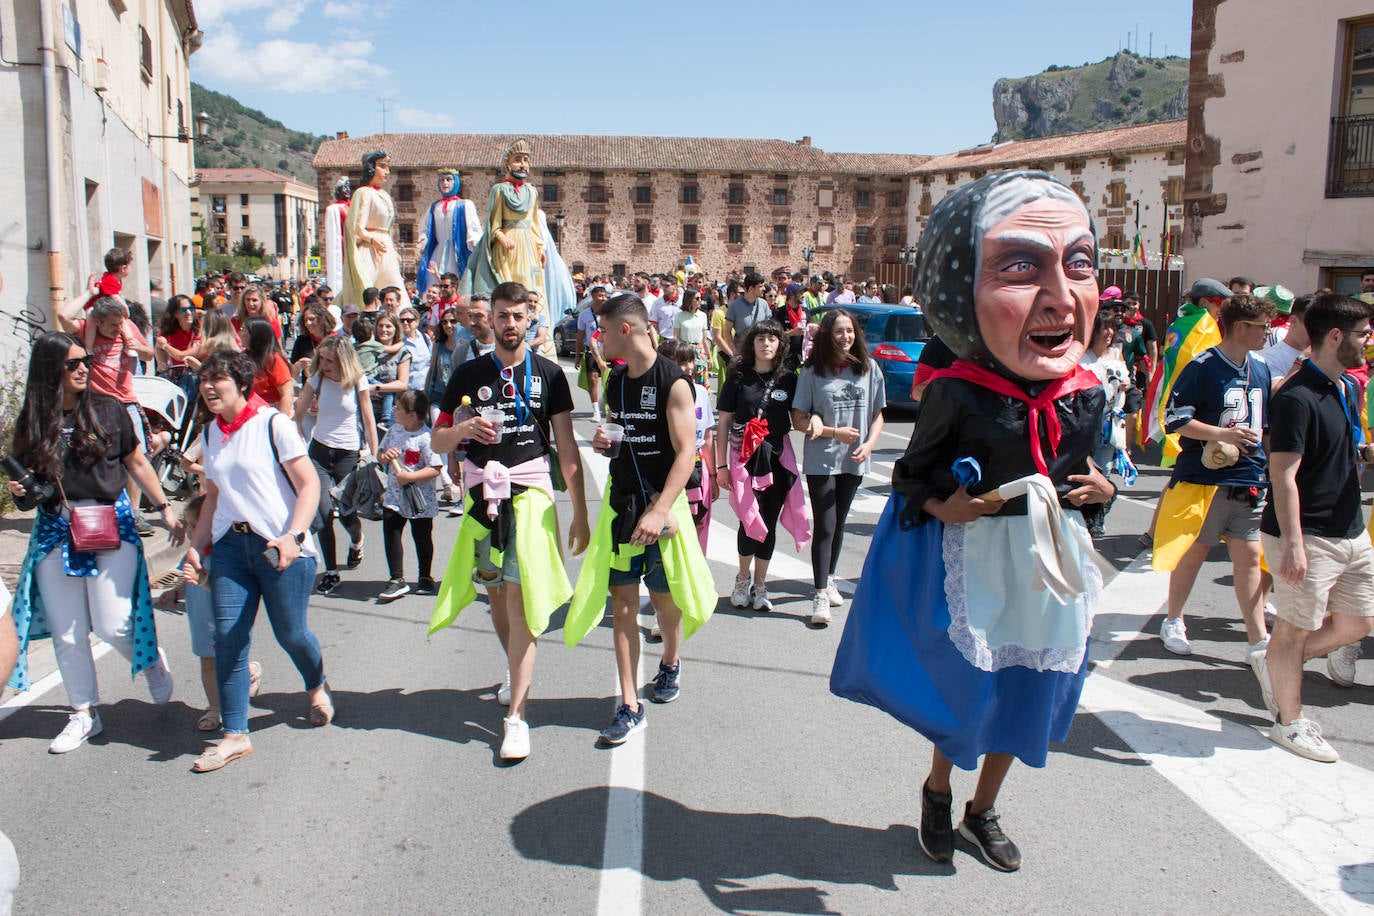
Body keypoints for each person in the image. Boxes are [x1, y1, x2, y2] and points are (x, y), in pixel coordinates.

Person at [831, 171, 1113, 873]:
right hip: (980, 555)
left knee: (1028, 690)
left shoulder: (1087, 393)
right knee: (972, 687)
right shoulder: (958, 392)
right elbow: (909, 474)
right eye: (1022, 267)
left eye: (1077, 265)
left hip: (1050, 560)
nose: (1058, 296)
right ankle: (937, 789)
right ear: (959, 295)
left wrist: (1100, 490)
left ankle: (982, 810)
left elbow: (1090, 478)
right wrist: (942, 505)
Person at [429, 281, 589, 761]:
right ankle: (512, 666)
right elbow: (437, 442)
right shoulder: (469, 372)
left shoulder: (548, 375)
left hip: (532, 495)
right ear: (491, 319)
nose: (510, 324)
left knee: (520, 602)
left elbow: (566, 446)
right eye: (502, 315)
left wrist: (579, 510)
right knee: (496, 595)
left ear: (529, 318)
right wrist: (460, 430)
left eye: (518, 316)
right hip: (483, 499)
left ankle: (516, 717)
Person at [6, 332, 181, 754]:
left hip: (107, 522)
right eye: (73, 363)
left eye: (85, 360)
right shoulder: (34, 419)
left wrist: (164, 506)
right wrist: (19, 492)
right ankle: (83, 713)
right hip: (54, 528)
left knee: (111, 622)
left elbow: (136, 460)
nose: (83, 367)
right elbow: (28, 490)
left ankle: (152, 659)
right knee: (68, 632)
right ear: (52, 371)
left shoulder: (108, 409)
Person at [566, 293, 715, 747]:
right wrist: (604, 442)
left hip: (662, 512)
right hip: (623, 506)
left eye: (604, 330)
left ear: (625, 330)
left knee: (666, 604)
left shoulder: (675, 383)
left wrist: (660, 510)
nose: (600, 337)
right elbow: (618, 426)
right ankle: (629, 704)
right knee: (624, 605)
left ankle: (670, 659)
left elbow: (688, 452)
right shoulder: (614, 379)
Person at [181, 350, 332, 772]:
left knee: (292, 633)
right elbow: (213, 497)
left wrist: (294, 537)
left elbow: (308, 486)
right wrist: (197, 546)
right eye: (205, 380)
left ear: (241, 384)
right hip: (231, 546)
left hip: (280, 546)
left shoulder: (273, 424)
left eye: (219, 379)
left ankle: (316, 684)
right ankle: (235, 735)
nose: (209, 386)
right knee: (228, 636)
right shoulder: (212, 433)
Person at [1249, 294, 1374, 762]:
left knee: (1358, 623)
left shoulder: (1346, 388)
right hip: (1308, 533)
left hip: (1350, 528)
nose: (1369, 340)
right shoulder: (1297, 397)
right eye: (1363, 333)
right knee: (1294, 631)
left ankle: (1274, 663)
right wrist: (1294, 546)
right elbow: (1282, 474)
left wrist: (1362, 454)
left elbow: (1336, 451)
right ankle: (1289, 722)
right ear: (1336, 337)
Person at [1152, 293, 1276, 661]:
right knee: (1194, 553)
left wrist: (1273, 469)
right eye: (1262, 328)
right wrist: (1222, 435)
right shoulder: (1203, 366)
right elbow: (1174, 419)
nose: (1267, 334)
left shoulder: (1262, 368)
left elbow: (1265, 426)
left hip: (1250, 479)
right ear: (1240, 327)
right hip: (1205, 480)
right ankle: (1173, 618)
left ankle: (1257, 639)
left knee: (1250, 558)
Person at [793, 308, 886, 625]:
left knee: (840, 523)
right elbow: (798, 419)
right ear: (827, 336)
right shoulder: (813, 372)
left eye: (849, 331)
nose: (845, 337)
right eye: (838, 332)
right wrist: (833, 432)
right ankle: (819, 594)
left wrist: (870, 444)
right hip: (822, 459)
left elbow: (878, 414)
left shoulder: (868, 368)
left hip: (855, 458)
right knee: (826, 525)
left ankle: (829, 577)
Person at [716, 321, 809, 612]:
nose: (766, 344)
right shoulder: (738, 377)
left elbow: (801, 416)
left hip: (778, 457)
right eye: (760, 339)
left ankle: (760, 584)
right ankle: (741, 580)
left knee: (767, 522)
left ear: (780, 344)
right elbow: (723, 423)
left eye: (772, 339)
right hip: (743, 458)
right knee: (749, 519)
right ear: (751, 343)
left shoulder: (789, 380)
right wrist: (721, 465)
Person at [56, 286, 161, 537]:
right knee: (97, 453)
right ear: (97, 321)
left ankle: (134, 512)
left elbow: (149, 353)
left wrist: (136, 344)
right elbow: (62, 315)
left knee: (136, 456)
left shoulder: (127, 328)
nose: (116, 329)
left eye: (119, 324)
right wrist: (88, 292)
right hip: (96, 407)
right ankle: (100, 507)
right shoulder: (85, 330)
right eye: (111, 325)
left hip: (125, 401)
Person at [292, 335, 379, 594]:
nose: (325, 364)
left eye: (331, 360)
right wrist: (296, 442)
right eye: (323, 359)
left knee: (348, 513)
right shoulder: (317, 378)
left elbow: (369, 420)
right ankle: (331, 571)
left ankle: (356, 540)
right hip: (319, 452)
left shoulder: (357, 382)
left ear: (343, 360)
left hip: (348, 454)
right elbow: (298, 415)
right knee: (323, 512)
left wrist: (374, 458)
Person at [376, 391, 443, 601]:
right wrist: (385, 457)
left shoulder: (426, 437)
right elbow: (381, 454)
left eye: (398, 409)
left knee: (422, 537)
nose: (394, 411)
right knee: (391, 534)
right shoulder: (394, 430)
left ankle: (425, 576)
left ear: (412, 415)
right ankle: (396, 578)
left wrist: (411, 476)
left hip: (419, 500)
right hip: (394, 497)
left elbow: (435, 468)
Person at [1079, 310, 1136, 539]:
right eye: (1104, 328)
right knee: (1087, 467)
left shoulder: (1115, 354)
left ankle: (1097, 517)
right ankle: (1086, 515)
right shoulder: (1082, 358)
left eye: (1111, 328)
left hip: (1111, 421)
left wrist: (1125, 384)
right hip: (1087, 421)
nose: (1109, 333)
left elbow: (1128, 379)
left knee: (1105, 471)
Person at [341, 151, 405, 310]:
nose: (387, 172)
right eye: (382, 166)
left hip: (386, 248)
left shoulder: (384, 194)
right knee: (367, 290)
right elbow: (357, 228)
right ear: (371, 168)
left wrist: (393, 249)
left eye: (387, 167)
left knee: (395, 289)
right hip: (370, 250)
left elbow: (388, 228)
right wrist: (371, 240)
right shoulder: (364, 193)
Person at [417, 169, 481, 296]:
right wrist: (422, 239)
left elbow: (473, 227)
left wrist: (474, 240)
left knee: (455, 282)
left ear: (455, 182)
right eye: (442, 180)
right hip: (438, 252)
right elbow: (425, 228)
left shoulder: (465, 205)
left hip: (457, 252)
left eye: (449, 180)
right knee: (434, 283)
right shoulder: (434, 206)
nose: (445, 183)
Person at [242, 316, 294, 414]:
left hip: (269, 412)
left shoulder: (273, 359)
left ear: (255, 335)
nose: (240, 333)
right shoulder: (243, 357)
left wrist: (280, 422)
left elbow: (287, 394)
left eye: (244, 330)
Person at [155, 294, 201, 402]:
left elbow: (181, 356)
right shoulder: (168, 331)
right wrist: (162, 362)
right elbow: (158, 347)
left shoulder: (200, 330)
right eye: (183, 310)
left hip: (195, 374)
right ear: (175, 313)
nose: (188, 313)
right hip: (174, 374)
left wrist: (166, 346)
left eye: (191, 309)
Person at [369, 314, 411, 427]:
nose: (384, 330)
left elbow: (402, 384)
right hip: (368, 406)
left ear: (395, 329)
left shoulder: (402, 353)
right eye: (381, 326)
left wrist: (375, 388)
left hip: (391, 410)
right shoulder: (369, 349)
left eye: (388, 326)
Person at [575, 285, 609, 422]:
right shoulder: (584, 315)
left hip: (607, 350)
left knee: (609, 380)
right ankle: (595, 410)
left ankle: (605, 404)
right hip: (591, 351)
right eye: (600, 295)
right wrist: (577, 357)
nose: (603, 298)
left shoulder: (610, 313)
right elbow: (579, 336)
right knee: (593, 378)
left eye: (604, 295)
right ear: (593, 297)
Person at [724, 271, 772, 353]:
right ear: (750, 288)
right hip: (742, 352)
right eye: (760, 286)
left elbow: (769, 327)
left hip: (760, 352)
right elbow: (727, 331)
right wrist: (734, 351)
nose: (764, 289)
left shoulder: (764, 304)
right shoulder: (734, 306)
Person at [672, 289, 711, 383]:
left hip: (699, 352)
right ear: (689, 300)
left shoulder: (702, 316)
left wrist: (709, 357)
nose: (700, 301)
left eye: (701, 298)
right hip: (684, 351)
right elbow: (676, 337)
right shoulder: (679, 316)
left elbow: (704, 339)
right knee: (686, 379)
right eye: (697, 298)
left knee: (700, 380)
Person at [324, 177, 351, 296]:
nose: (347, 190)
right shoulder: (334, 209)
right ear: (338, 191)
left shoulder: (353, 207)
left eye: (348, 187)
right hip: (342, 246)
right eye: (344, 187)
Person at [773, 282, 808, 371]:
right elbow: (774, 335)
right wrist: (792, 333)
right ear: (792, 295)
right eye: (800, 293)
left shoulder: (806, 311)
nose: (803, 296)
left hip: (803, 356)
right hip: (785, 357)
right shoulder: (779, 312)